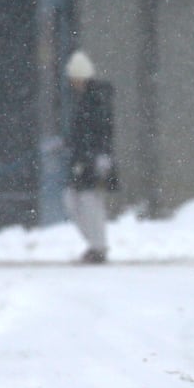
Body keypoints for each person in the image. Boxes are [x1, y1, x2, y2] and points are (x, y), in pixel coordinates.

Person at [63, 50, 118, 264]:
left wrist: (101, 157)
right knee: (77, 201)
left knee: (89, 203)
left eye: (73, 77)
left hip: (92, 161)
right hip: (84, 159)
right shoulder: (87, 100)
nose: (71, 82)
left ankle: (98, 247)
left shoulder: (95, 101)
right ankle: (96, 244)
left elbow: (102, 132)